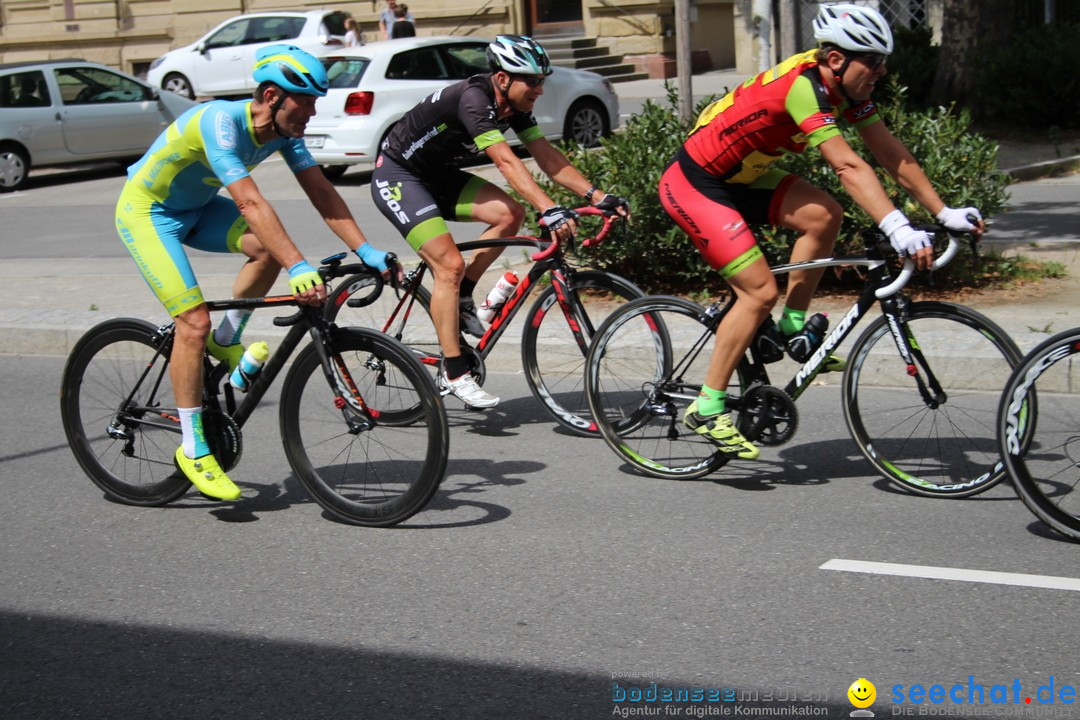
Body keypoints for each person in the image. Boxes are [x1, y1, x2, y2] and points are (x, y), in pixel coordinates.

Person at [657, 3, 984, 460]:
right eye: (873, 60)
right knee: (757, 292)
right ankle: (707, 406)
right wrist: (897, 227)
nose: (882, 70)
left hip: (740, 179)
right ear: (836, 60)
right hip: (695, 184)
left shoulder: (847, 90)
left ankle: (793, 326)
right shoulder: (803, 88)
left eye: (882, 60)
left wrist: (943, 211)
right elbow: (848, 163)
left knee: (824, 215)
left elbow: (890, 153)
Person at [115, 44, 391, 501]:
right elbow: (249, 201)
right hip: (148, 213)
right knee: (192, 321)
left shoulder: (284, 135)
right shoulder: (219, 123)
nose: (312, 111)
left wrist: (364, 247)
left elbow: (321, 190)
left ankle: (227, 341)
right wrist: (298, 266)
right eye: (305, 101)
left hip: (196, 210)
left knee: (263, 251)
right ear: (271, 96)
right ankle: (194, 448)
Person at [369, 34, 629, 410]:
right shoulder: (475, 99)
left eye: (543, 80)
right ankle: (455, 371)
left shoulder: (514, 107)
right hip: (398, 176)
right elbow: (507, 162)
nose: (540, 88)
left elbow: (545, 154)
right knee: (448, 264)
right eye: (533, 81)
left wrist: (598, 196)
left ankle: (462, 296)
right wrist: (549, 208)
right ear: (503, 78)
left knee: (510, 215)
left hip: (438, 176)